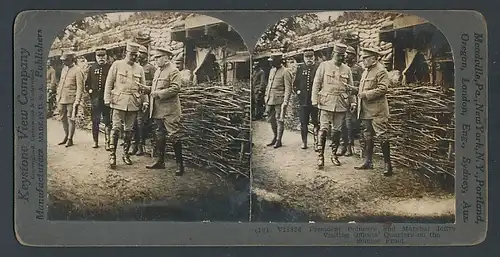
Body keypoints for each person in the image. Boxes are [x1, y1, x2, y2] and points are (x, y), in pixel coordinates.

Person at [104, 42, 148, 169]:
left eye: (136, 55)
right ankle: (112, 155)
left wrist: (145, 101)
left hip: (133, 102)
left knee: (129, 130)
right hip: (118, 101)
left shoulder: (139, 68)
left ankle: (125, 154)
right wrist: (107, 98)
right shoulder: (117, 64)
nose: (134, 57)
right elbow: (109, 83)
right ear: (126, 53)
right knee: (116, 128)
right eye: (131, 54)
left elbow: (143, 88)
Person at [311, 43, 355, 168]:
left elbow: (350, 89)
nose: (341, 58)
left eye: (343, 56)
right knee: (323, 129)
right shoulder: (324, 66)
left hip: (341, 103)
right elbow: (316, 83)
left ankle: (333, 154)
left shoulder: (347, 69)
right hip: (326, 102)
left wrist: (353, 102)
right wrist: (314, 100)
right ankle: (320, 156)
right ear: (333, 54)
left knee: (337, 131)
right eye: (338, 55)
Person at [145, 47, 185, 176]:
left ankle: (180, 165)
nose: (156, 60)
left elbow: (176, 88)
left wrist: (158, 93)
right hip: (158, 110)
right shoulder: (157, 71)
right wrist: (146, 89)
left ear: (166, 58)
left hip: (170, 111)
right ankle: (160, 161)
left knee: (174, 136)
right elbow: (155, 88)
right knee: (159, 135)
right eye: (155, 58)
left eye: (158, 57)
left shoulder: (174, 71)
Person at [354, 47, 393, 176]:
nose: (363, 60)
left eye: (366, 58)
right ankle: (368, 161)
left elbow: (383, 89)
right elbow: (362, 90)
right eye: (363, 58)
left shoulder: (381, 71)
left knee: (382, 135)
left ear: (374, 59)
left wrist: (365, 94)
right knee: (367, 136)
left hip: (377, 110)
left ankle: (388, 165)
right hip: (365, 110)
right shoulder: (365, 72)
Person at [130, 45, 156, 156]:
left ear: (146, 55)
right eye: (138, 54)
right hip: (134, 99)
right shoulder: (134, 67)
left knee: (141, 123)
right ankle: (134, 145)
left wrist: (145, 86)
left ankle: (141, 146)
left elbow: (155, 84)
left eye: (141, 53)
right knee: (133, 123)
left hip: (144, 99)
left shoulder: (150, 68)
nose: (139, 56)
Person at [338, 45, 364, 156]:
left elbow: (361, 84)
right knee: (341, 123)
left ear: (353, 56)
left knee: (350, 124)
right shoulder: (341, 68)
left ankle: (349, 147)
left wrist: (353, 87)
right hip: (341, 99)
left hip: (352, 99)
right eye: (346, 54)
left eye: (349, 54)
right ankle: (343, 146)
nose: (346, 56)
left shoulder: (358, 68)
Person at [293, 48, 320, 150]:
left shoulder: (318, 67)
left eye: (311, 57)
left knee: (316, 122)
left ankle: (316, 142)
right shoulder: (300, 68)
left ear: (314, 57)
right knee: (303, 122)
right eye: (306, 57)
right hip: (303, 101)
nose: (309, 59)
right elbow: (295, 84)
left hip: (315, 101)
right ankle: (304, 142)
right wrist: (298, 92)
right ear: (304, 58)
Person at [55, 51, 84, 147]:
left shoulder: (78, 70)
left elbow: (80, 87)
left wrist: (77, 101)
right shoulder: (64, 69)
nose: (64, 62)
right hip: (61, 98)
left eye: (66, 60)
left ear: (72, 59)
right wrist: (57, 96)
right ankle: (66, 135)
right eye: (63, 60)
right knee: (63, 118)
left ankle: (70, 139)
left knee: (71, 119)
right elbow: (60, 84)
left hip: (71, 100)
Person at [264, 53, 293, 148]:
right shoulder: (272, 71)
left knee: (279, 120)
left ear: (277, 61)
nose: (271, 63)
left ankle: (278, 140)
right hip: (270, 99)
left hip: (279, 100)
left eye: (272, 61)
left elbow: (288, 88)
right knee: (271, 119)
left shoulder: (286, 72)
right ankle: (275, 136)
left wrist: (285, 102)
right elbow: (269, 85)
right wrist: (266, 96)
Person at [85, 48, 112, 149]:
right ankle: (95, 141)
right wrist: (90, 91)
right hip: (95, 100)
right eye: (99, 56)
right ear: (96, 57)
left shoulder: (110, 68)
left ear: (106, 56)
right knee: (95, 121)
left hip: (106, 99)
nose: (101, 58)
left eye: (103, 56)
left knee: (107, 121)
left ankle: (107, 142)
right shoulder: (92, 68)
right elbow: (87, 84)